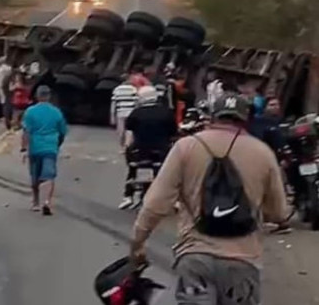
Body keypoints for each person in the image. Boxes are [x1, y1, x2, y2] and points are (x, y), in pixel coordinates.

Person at [130, 94, 290, 305]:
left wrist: (138, 243)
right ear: (246, 120)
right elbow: (279, 213)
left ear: (212, 117)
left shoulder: (185, 147)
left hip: (195, 255)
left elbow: (155, 204)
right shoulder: (263, 153)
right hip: (243, 260)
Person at [120, 86, 178, 210]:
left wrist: (126, 147)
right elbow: (173, 133)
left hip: (140, 149)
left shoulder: (136, 113)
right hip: (161, 149)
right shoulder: (166, 112)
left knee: (132, 168)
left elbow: (129, 134)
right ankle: (174, 199)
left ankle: (128, 196)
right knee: (170, 173)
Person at [20, 85, 68, 215]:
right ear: (49, 96)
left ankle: (35, 202)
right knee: (49, 176)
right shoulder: (56, 112)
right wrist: (58, 144)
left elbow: (26, 132)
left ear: (37, 96)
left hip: (35, 148)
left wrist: (24, 148)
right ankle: (46, 201)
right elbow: (63, 132)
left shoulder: (30, 111)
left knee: (35, 176)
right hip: (50, 147)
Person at [110, 77, 138, 150]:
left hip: (120, 112)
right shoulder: (133, 89)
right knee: (129, 130)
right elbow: (136, 102)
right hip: (130, 112)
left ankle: (121, 146)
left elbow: (114, 104)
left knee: (121, 130)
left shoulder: (117, 89)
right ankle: (127, 146)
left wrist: (112, 115)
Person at [0, 57, 13, 122]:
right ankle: (6, 116)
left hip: (2, 86)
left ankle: (6, 116)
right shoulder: (3, 68)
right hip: (3, 86)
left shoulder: (3, 68)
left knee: (4, 101)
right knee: (5, 101)